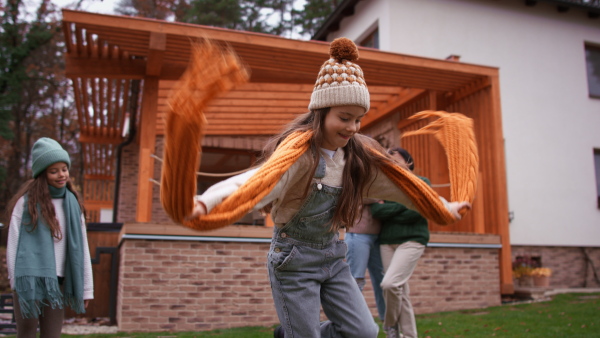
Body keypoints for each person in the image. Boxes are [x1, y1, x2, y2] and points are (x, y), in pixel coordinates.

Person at [186, 38, 470, 338]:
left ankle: (293, 332)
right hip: (292, 259)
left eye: (359, 120)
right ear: (321, 112)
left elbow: (405, 187)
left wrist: (444, 207)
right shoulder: (298, 157)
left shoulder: (357, 161)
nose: (352, 127)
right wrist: (206, 203)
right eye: (344, 118)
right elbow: (255, 182)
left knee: (364, 333)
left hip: (334, 256)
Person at [5, 137, 94, 338]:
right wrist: (16, 282)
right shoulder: (25, 204)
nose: (61, 175)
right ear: (42, 174)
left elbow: (83, 248)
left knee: (52, 335)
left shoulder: (72, 205)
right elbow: (13, 243)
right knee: (26, 334)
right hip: (29, 282)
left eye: (64, 169)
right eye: (54, 171)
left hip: (58, 283)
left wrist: (86, 289)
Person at [371, 147, 430, 338]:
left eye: (395, 158)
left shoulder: (422, 182)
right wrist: (405, 205)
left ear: (408, 162)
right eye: (388, 159)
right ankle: (408, 335)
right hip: (386, 243)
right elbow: (376, 212)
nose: (391, 161)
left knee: (389, 284)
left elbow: (418, 212)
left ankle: (389, 325)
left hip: (412, 240)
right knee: (401, 292)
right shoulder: (385, 186)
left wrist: (390, 209)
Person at [344, 199, 386, 321]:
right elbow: (359, 193)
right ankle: (349, 326)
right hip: (357, 234)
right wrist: (380, 197)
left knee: (383, 282)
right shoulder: (358, 180)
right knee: (356, 282)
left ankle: (389, 327)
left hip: (378, 236)